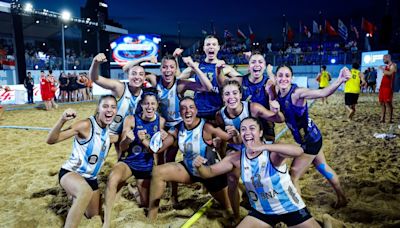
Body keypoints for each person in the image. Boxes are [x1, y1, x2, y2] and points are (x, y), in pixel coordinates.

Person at [193, 117, 321, 227]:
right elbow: (208, 173)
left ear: (260, 133)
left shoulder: (272, 152)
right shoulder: (236, 158)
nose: (247, 132)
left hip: (290, 208)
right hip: (262, 212)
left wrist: (263, 146)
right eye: (243, 129)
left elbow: (298, 151)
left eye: (252, 128)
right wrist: (199, 167)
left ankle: (325, 219)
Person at [266, 64, 350, 208]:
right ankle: (342, 198)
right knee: (323, 167)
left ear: (292, 78)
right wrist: (268, 69)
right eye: (280, 75)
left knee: (293, 175)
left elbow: (322, 93)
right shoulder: (278, 89)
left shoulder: (297, 93)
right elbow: (270, 75)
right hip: (314, 136)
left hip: (310, 140)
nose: (283, 78)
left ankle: (299, 211)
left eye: (287, 76)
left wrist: (340, 80)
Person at [147, 97, 241, 219]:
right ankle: (151, 217)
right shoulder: (178, 127)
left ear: (196, 110)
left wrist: (236, 134)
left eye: (191, 107)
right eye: (183, 108)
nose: (187, 111)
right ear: (180, 113)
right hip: (189, 170)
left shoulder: (207, 127)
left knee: (228, 208)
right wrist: (157, 138)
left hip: (211, 174)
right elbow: (159, 148)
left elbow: (234, 140)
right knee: (158, 172)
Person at [103, 89, 172, 228]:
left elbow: (156, 150)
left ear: (157, 105)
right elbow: (122, 147)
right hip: (128, 162)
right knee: (112, 178)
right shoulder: (131, 119)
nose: (149, 107)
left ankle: (134, 190)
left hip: (146, 165)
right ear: (141, 104)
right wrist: (127, 140)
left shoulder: (161, 122)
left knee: (145, 204)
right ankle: (106, 220)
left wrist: (161, 138)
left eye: (152, 104)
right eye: (146, 103)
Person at [216, 80, 285, 217]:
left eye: (235, 93)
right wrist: (223, 155)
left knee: (264, 180)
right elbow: (224, 141)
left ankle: (275, 210)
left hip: (255, 146)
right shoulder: (220, 115)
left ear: (240, 94)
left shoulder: (252, 108)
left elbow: (279, 119)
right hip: (236, 148)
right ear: (223, 97)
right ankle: (236, 216)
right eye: (227, 94)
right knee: (231, 179)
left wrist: (276, 111)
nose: (231, 97)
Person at [46, 95, 117, 228]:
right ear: (98, 109)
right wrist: (62, 120)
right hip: (71, 172)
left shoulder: (108, 129)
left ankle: (73, 196)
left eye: (113, 107)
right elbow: (51, 140)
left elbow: (117, 138)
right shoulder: (85, 125)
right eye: (105, 106)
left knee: (93, 216)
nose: (109, 110)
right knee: (84, 192)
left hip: (91, 178)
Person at [89, 53, 157, 158]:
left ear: (144, 78)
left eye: (140, 74)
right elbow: (95, 78)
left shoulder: (145, 96)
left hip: (124, 133)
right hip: (107, 130)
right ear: (128, 75)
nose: (137, 77)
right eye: (133, 73)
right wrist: (95, 63)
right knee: (96, 157)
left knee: (122, 159)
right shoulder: (120, 87)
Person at [179, 35, 241, 119]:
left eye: (214, 44)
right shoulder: (196, 66)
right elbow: (177, 79)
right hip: (198, 111)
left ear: (218, 48)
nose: (211, 47)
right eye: (208, 44)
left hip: (217, 111)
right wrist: (175, 58)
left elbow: (242, 81)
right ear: (204, 48)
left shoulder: (225, 67)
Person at [235, 51, 277, 142]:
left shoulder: (268, 83)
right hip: (244, 125)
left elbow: (276, 87)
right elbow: (222, 82)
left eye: (260, 62)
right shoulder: (241, 80)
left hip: (265, 125)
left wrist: (270, 73)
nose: (257, 64)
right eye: (253, 62)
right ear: (248, 67)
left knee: (267, 153)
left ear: (265, 66)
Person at [379, 54, 397, 123]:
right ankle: (382, 118)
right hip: (383, 86)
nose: (383, 60)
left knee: (388, 102)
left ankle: (390, 119)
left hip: (388, 87)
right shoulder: (386, 66)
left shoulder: (393, 65)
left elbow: (390, 73)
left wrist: (382, 69)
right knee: (382, 102)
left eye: (384, 59)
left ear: (388, 58)